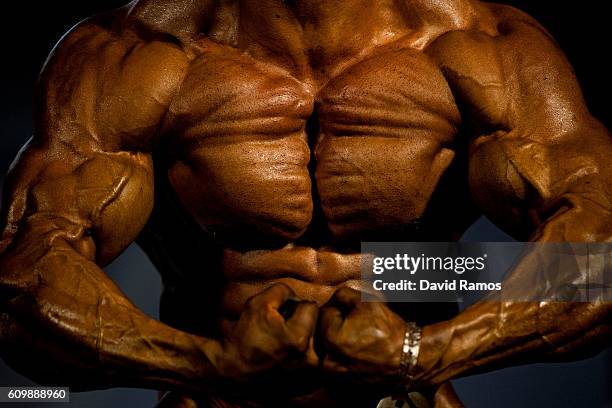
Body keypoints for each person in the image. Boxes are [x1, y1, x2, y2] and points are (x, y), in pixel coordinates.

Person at [0, 0, 610, 406]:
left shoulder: (480, 46)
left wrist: (424, 353)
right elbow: (21, 283)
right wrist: (203, 364)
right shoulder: (134, 53)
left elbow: (601, 261)